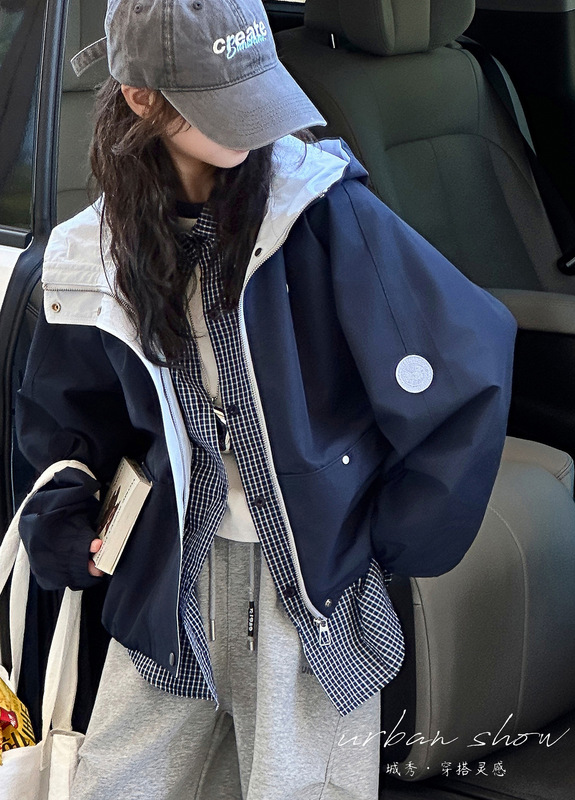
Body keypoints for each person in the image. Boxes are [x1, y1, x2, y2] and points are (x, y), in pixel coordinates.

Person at [14, 0, 517, 798]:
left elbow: (466, 364)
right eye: (224, 102)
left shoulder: (318, 211)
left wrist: (387, 535)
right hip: (166, 585)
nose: (255, 123)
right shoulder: (91, 253)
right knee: (114, 783)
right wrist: (65, 506)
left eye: (256, 89)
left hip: (307, 595)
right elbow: (67, 412)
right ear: (142, 97)